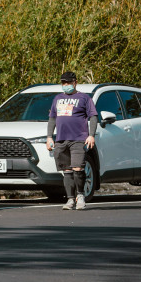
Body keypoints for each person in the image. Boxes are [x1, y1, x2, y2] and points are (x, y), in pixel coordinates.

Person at [46, 72, 97, 210]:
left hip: (79, 139)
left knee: (78, 168)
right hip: (61, 140)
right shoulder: (57, 98)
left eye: (68, 82)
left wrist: (91, 135)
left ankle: (80, 195)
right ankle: (70, 199)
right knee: (67, 170)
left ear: (75, 82)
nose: (66, 85)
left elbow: (93, 117)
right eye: (63, 83)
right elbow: (52, 118)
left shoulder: (84, 98)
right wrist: (49, 136)